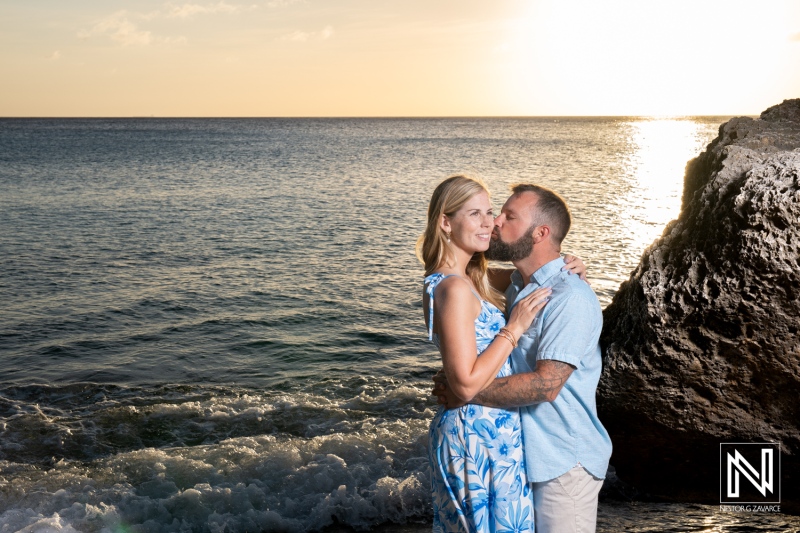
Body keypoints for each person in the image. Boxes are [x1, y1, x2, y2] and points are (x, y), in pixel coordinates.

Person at [434, 184, 612, 533]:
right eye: (494, 213)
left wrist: (465, 389)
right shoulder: (519, 284)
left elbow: (546, 386)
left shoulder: (569, 297)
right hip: (521, 454)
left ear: (540, 233)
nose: (495, 221)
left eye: (508, 216)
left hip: (562, 461)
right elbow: (454, 276)